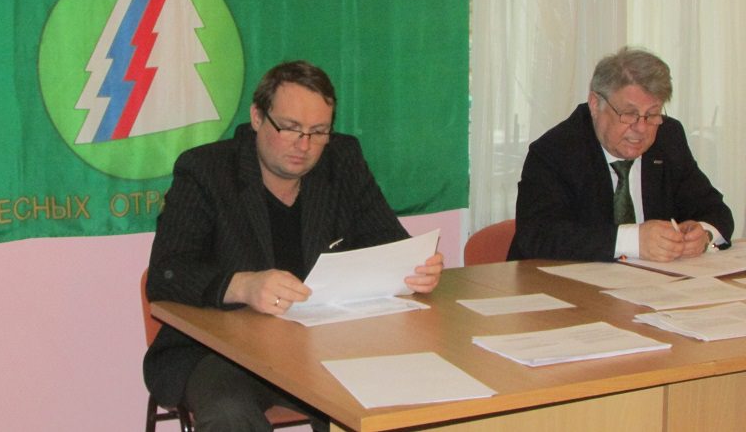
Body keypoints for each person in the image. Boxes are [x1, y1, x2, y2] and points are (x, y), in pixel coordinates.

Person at [143, 60, 444, 431]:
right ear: (257, 117)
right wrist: (242, 285)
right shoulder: (207, 171)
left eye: (318, 132)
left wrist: (415, 268)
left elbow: (388, 241)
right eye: (290, 128)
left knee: (406, 393)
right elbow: (167, 273)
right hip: (223, 353)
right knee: (228, 413)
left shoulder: (342, 161)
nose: (304, 145)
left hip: (325, 346)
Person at [508, 46, 733, 262]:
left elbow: (715, 210)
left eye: (652, 114)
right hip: (562, 284)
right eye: (629, 114)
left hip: (652, 284)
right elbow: (538, 235)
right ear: (595, 104)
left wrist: (704, 234)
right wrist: (634, 240)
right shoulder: (556, 151)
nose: (641, 128)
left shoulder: (668, 138)